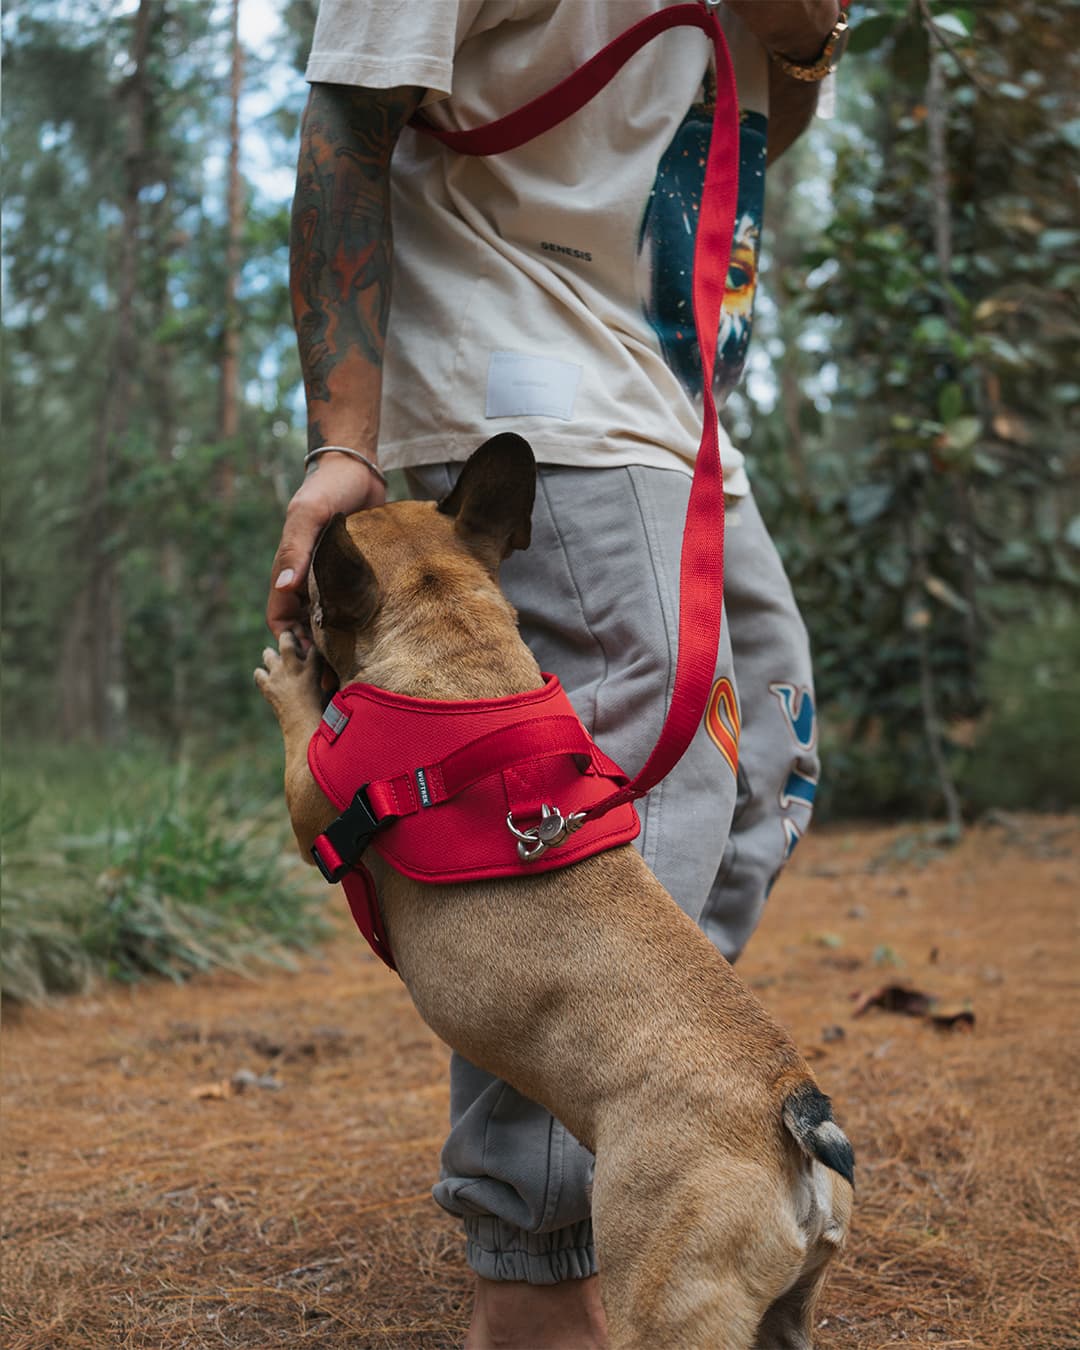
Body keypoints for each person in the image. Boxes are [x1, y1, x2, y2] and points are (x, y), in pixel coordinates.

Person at [266, 3, 847, 1345]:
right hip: (524, 386)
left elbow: (736, 136)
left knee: (758, 777)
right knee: (592, 820)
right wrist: (342, 440)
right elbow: (350, 114)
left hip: (672, 398)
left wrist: (803, 45)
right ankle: (532, 1280)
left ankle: (655, 1180)